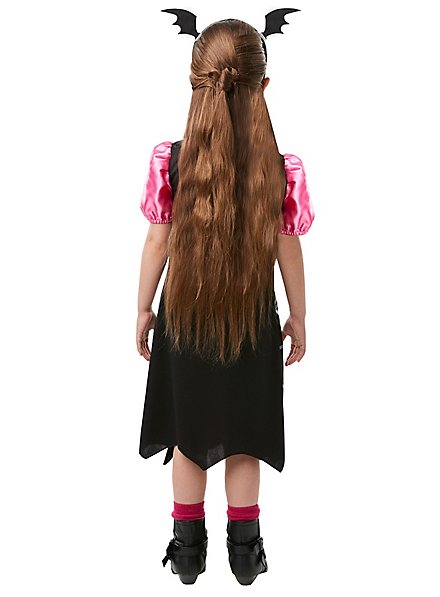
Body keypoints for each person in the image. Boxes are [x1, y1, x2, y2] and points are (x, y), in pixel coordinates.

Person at [135, 16, 314, 585]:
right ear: (264, 86)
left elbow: (157, 241)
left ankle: (188, 553)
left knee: (187, 442)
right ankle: (245, 552)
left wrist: (142, 308)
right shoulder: (279, 171)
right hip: (250, 324)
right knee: (243, 442)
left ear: (195, 83)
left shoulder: (172, 160)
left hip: (185, 322)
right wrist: (298, 315)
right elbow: (288, 249)